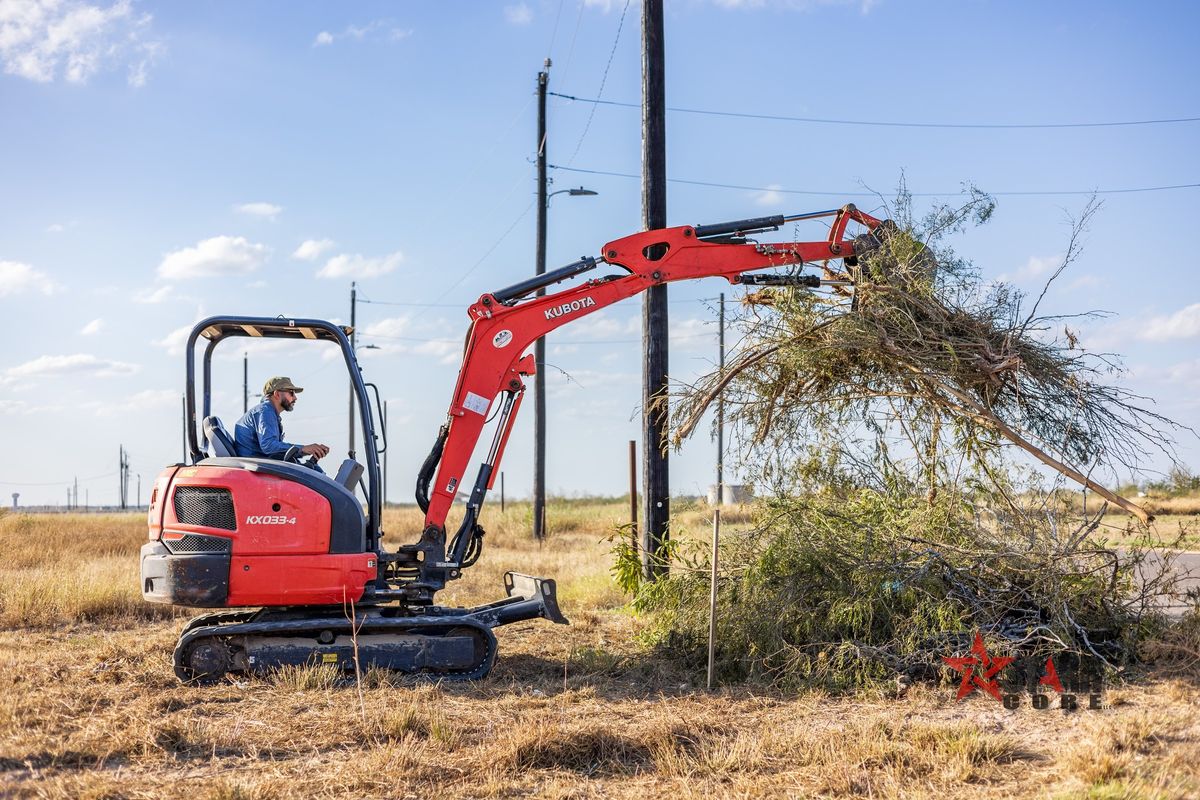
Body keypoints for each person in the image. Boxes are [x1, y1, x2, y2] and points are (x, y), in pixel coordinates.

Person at [234, 376, 330, 471]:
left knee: (314, 469)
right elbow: (269, 446)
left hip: (263, 464)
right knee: (315, 473)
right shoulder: (265, 411)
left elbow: (273, 449)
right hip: (258, 468)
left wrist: (303, 451)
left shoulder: (268, 412)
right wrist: (303, 449)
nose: (295, 397)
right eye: (291, 393)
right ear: (277, 394)